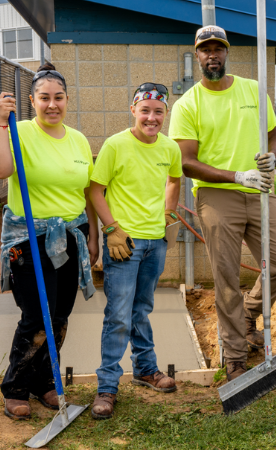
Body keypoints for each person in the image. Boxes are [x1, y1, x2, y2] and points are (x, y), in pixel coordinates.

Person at [168, 25, 276, 381]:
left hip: (261, 192)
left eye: (218, 49)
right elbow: (185, 160)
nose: (212, 55)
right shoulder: (188, 103)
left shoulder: (254, 91)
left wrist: (274, 158)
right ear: (197, 56)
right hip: (216, 194)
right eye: (205, 50)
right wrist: (236, 176)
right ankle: (235, 354)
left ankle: (249, 313)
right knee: (225, 275)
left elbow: (274, 134)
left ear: (226, 53)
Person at [0, 63, 100, 421]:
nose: (52, 105)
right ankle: (16, 388)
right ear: (33, 101)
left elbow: (85, 191)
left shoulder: (79, 139)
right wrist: (0, 124)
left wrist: (92, 235)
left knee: (60, 316)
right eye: (44, 98)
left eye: (59, 97)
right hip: (31, 236)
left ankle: (44, 381)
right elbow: (1, 170)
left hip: (72, 235)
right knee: (37, 316)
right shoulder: (19, 131)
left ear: (67, 99)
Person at [88, 83, 183, 419]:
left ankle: (146, 369)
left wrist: (169, 213)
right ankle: (107, 386)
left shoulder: (170, 148)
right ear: (133, 110)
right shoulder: (116, 145)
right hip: (124, 245)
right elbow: (95, 189)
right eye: (145, 110)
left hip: (155, 242)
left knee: (142, 308)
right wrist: (111, 229)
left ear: (165, 114)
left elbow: (175, 180)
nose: (152, 117)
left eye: (158, 111)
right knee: (118, 315)